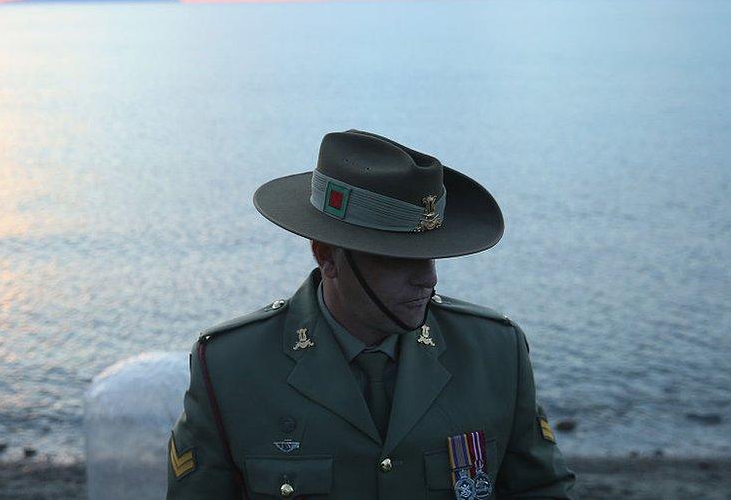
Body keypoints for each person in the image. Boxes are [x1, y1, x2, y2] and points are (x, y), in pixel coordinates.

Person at [166, 129, 577, 499]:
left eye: (433, 256)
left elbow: (542, 490)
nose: (428, 279)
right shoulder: (231, 367)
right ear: (327, 256)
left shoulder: (495, 353)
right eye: (399, 260)